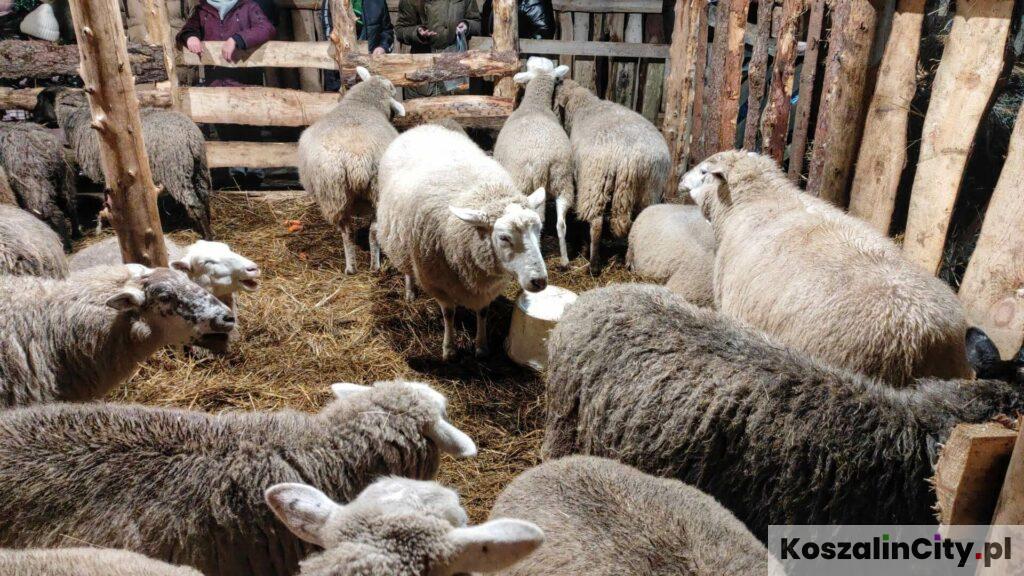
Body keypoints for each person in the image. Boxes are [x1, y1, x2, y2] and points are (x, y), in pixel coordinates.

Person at [177, 0, 277, 87]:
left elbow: (266, 28)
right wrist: (190, 37)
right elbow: (188, 29)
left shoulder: (248, 6)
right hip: (215, 85)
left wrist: (237, 39)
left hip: (245, 84)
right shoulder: (202, 10)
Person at [395, 0, 481, 97]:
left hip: (455, 67)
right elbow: (400, 30)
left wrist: (466, 25)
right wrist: (418, 33)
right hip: (424, 71)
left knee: (456, 108)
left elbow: (477, 23)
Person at [320, 0, 395, 91]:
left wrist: (383, 48)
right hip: (338, 73)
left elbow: (387, 31)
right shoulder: (332, 1)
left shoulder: (378, 2)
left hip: (370, 70)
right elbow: (328, 33)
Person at [481, 0, 555, 40]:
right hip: (491, 58)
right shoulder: (490, 2)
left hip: (523, 60)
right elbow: (485, 29)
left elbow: (544, 33)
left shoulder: (533, 2)